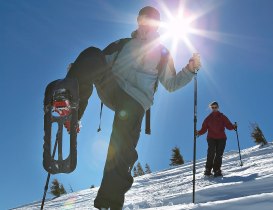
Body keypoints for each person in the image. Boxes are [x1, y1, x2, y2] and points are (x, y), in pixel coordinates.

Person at [65, 6, 201, 210]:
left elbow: (171, 83)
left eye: (152, 21)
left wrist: (190, 70)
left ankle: (108, 204)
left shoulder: (163, 52)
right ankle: (71, 111)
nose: (146, 24)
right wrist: (80, 68)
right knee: (91, 53)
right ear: (138, 21)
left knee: (121, 147)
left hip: (136, 99)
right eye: (143, 19)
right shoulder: (122, 44)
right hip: (113, 87)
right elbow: (98, 61)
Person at [196, 101, 237, 177]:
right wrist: (199, 132)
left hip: (221, 138)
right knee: (211, 152)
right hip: (211, 137)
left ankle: (217, 169)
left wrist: (233, 126)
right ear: (211, 108)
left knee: (219, 154)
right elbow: (204, 129)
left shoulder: (222, 117)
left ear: (218, 107)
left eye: (215, 107)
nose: (214, 108)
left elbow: (228, 125)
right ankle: (208, 169)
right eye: (213, 107)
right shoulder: (208, 118)